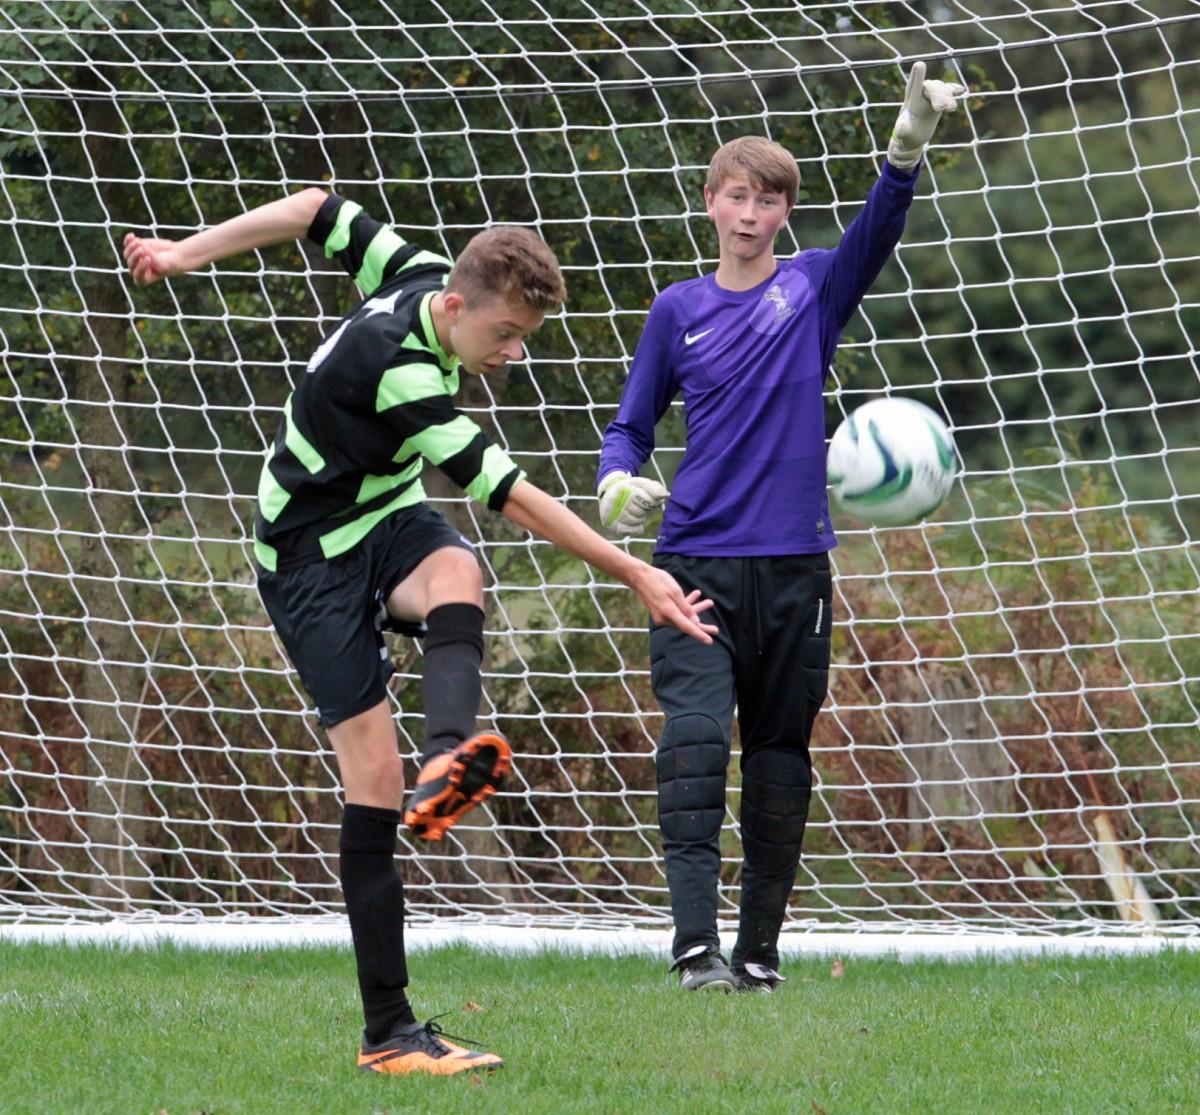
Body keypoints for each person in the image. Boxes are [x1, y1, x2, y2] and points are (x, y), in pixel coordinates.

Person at [123, 190, 717, 1073]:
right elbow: (507, 492)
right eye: (506, 333)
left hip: (382, 517)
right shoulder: (400, 365)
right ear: (456, 308)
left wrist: (184, 252)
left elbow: (316, 208)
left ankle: (450, 754)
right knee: (371, 778)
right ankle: (388, 1032)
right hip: (307, 555)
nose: (513, 353)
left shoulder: (418, 272)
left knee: (457, 573)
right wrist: (635, 570)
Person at [596, 63, 966, 993]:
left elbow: (876, 233)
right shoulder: (676, 309)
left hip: (797, 567)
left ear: (782, 213)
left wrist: (906, 145)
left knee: (777, 764)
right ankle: (693, 952)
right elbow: (631, 425)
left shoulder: (810, 295)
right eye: (736, 195)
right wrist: (612, 483)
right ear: (711, 205)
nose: (751, 212)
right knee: (689, 746)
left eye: (767, 198)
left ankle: (757, 954)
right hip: (693, 565)